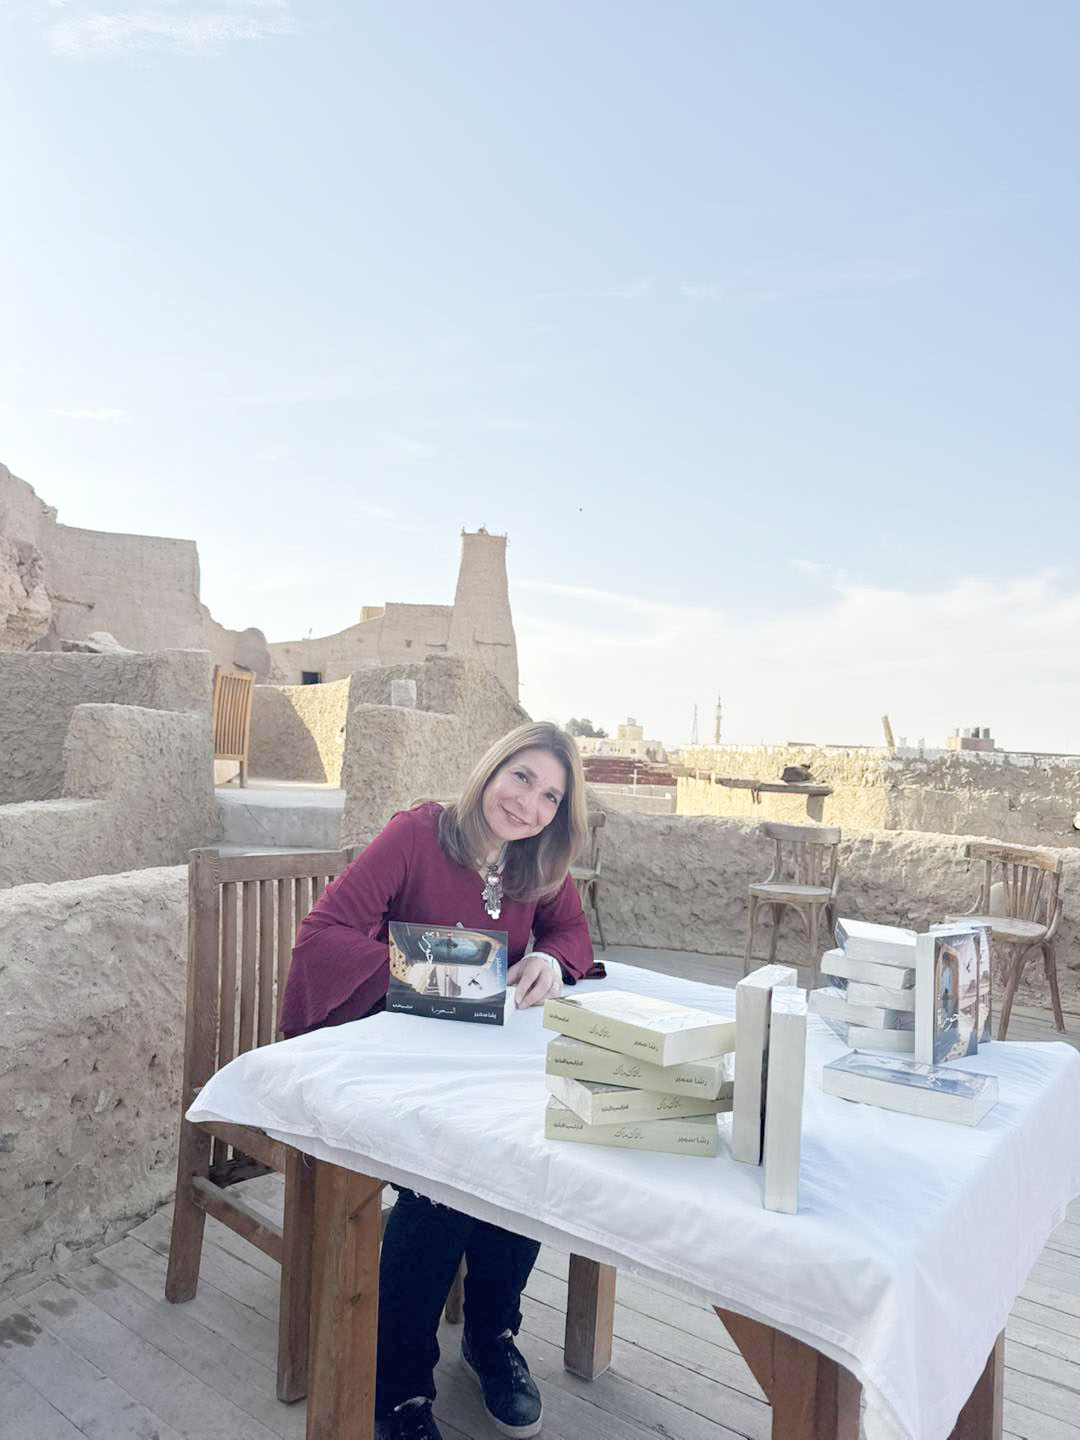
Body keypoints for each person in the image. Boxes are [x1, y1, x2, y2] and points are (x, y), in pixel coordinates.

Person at [279, 721, 600, 1440]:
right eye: (522, 778)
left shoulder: (535, 862)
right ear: (492, 768)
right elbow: (322, 937)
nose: (529, 804)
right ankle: (396, 1386)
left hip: (477, 1063)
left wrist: (549, 959)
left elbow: (570, 932)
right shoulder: (418, 834)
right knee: (446, 1176)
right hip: (392, 1058)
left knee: (529, 1149)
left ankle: (492, 1338)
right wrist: (442, 975)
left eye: (550, 797)